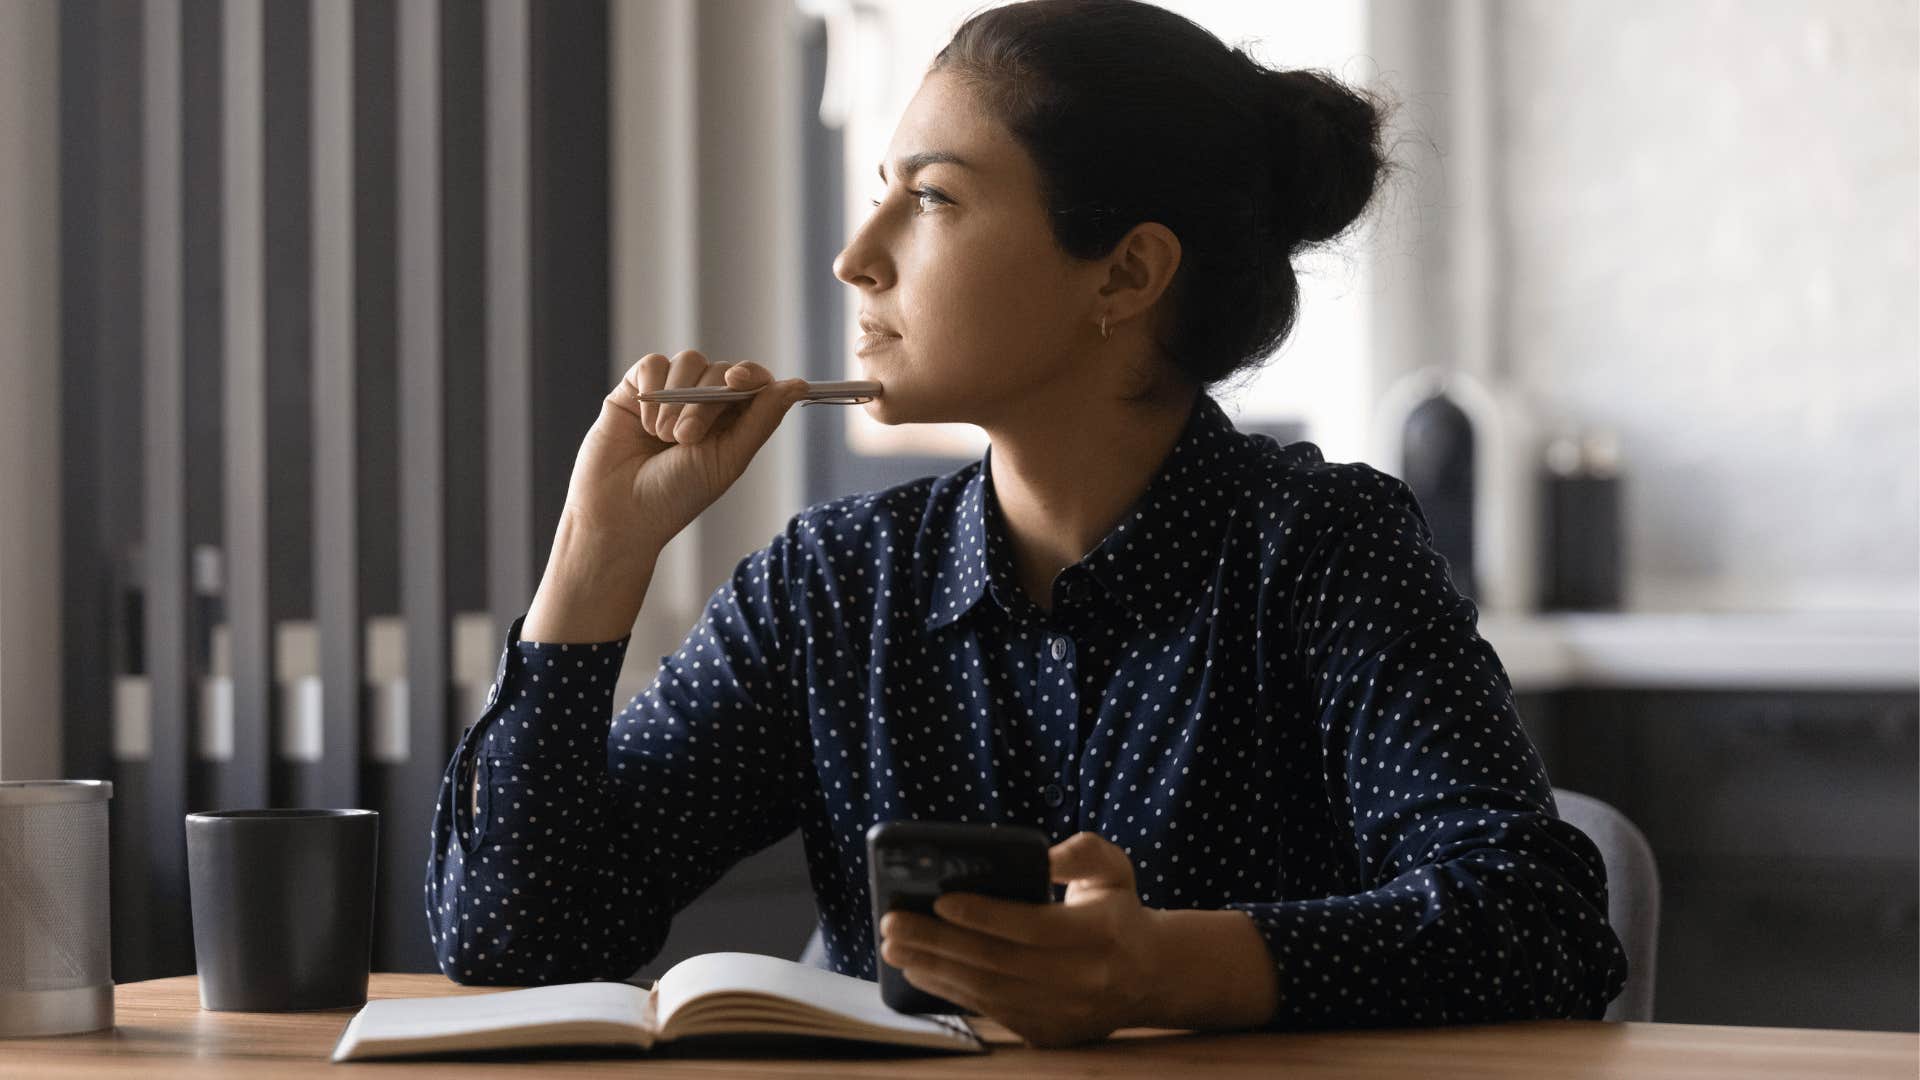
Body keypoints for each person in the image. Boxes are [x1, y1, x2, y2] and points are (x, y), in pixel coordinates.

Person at [425, 0, 1628, 1047]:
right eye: (879, 193)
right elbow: (513, 942)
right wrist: (600, 547)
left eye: (933, 197)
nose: (856, 258)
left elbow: (1539, 923)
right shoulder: (832, 586)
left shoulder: (1319, 550)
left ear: (1124, 275)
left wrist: (1164, 967)